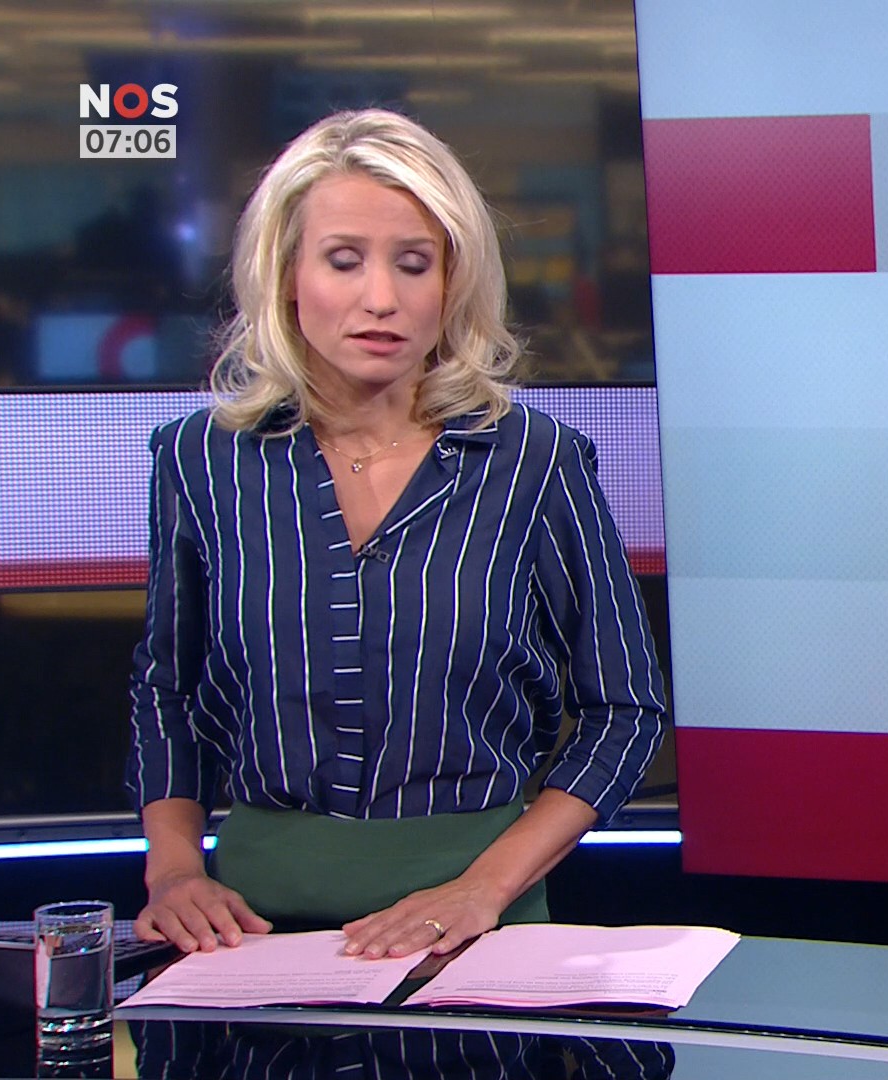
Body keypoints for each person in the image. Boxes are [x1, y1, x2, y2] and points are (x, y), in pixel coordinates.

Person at [126, 109, 666, 961]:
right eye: (344, 260)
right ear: (286, 275)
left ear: (453, 283)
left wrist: (482, 888)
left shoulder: (535, 461)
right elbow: (168, 691)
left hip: (475, 927)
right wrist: (173, 872)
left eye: (414, 264)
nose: (381, 298)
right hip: (244, 934)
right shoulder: (201, 460)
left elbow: (626, 712)